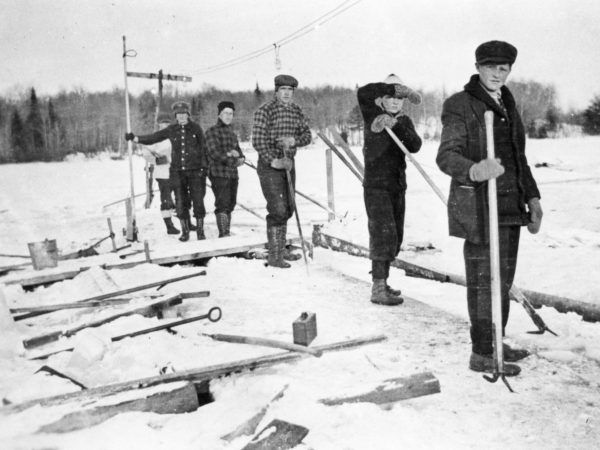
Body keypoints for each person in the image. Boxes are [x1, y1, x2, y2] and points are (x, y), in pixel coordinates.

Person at [436, 40, 543, 376]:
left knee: (503, 280)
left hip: (511, 207)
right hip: (481, 208)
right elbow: (446, 156)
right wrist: (474, 169)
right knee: (484, 282)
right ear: (478, 67)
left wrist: (534, 198)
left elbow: (519, 157)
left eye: (504, 68)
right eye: (492, 67)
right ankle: (482, 352)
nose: (499, 73)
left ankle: (496, 340)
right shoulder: (460, 104)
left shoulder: (508, 102)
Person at [357, 74, 422, 305]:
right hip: (376, 186)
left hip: (397, 185)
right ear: (382, 99)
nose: (395, 102)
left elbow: (415, 145)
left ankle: (383, 281)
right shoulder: (371, 114)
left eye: (399, 99)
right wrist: (397, 87)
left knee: (395, 237)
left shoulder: (403, 121)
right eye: (390, 97)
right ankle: (378, 287)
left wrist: (396, 125)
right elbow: (363, 91)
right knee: (382, 235)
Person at [126, 101, 209, 242]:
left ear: (188, 115)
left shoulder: (196, 129)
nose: (182, 117)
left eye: (184, 114)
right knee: (180, 202)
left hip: (195, 172)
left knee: (198, 201)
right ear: (175, 116)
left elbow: (204, 149)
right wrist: (136, 138)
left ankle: (200, 231)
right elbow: (154, 137)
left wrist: (204, 170)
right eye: (179, 115)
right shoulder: (171, 129)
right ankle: (185, 232)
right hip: (177, 173)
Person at [252, 74, 312, 268]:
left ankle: (280, 249)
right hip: (270, 166)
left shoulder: (296, 110)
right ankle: (275, 256)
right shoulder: (265, 111)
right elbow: (258, 141)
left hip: (288, 163)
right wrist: (274, 160)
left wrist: (294, 141)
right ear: (276, 91)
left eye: (290, 90)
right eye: (283, 90)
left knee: (287, 208)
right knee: (277, 208)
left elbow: (307, 135)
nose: (287, 94)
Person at [205, 101, 245, 237]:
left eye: (231, 114)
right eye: (226, 113)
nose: (229, 116)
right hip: (218, 173)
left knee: (231, 203)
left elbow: (239, 152)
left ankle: (226, 231)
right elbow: (214, 153)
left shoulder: (232, 133)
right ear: (219, 115)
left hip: (233, 174)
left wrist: (241, 158)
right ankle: (224, 234)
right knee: (222, 204)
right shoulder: (211, 131)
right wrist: (232, 159)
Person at [139, 112, 179, 235]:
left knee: (182, 198)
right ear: (159, 124)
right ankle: (169, 226)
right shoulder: (155, 137)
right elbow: (145, 151)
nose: (165, 125)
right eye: (162, 123)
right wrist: (155, 160)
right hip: (162, 173)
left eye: (167, 122)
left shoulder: (175, 135)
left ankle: (186, 223)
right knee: (166, 200)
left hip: (177, 172)